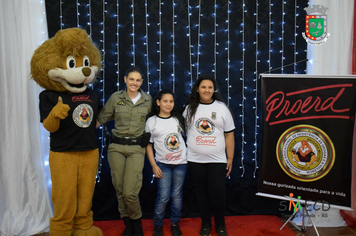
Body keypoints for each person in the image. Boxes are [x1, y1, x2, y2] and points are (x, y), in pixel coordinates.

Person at [96, 67, 152, 236]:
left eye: (138, 80)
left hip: (136, 148)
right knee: (120, 189)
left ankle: (137, 222)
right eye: (131, 79)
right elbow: (102, 118)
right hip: (116, 148)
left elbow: (156, 121)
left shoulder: (148, 100)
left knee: (130, 192)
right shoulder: (116, 98)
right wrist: (80, 132)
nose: (134, 83)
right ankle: (127, 223)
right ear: (125, 79)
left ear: (142, 82)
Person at [182, 75, 235, 236]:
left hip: (217, 160)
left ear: (214, 90)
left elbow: (229, 135)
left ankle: (220, 224)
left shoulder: (221, 108)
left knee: (217, 192)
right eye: (203, 87)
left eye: (210, 87)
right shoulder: (189, 108)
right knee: (201, 193)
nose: (207, 90)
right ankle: (205, 223)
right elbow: (181, 132)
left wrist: (230, 158)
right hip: (195, 159)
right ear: (197, 89)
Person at [145, 89, 188, 236]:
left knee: (176, 195)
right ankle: (158, 224)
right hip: (163, 164)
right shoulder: (151, 121)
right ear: (158, 102)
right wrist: (154, 165)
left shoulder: (178, 119)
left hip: (181, 163)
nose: (168, 104)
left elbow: (186, 137)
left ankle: (175, 223)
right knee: (163, 196)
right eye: (165, 101)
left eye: (171, 101)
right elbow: (148, 145)